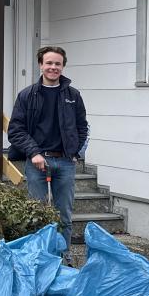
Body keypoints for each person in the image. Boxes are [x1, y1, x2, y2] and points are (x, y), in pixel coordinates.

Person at [8, 46, 88, 261]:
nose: (53, 67)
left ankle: (64, 258)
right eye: (49, 63)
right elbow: (15, 130)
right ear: (40, 65)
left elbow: (82, 127)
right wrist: (33, 152)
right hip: (36, 161)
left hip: (64, 162)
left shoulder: (73, 95)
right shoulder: (27, 95)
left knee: (64, 216)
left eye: (58, 64)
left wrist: (75, 152)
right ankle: (40, 258)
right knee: (38, 215)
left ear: (63, 66)